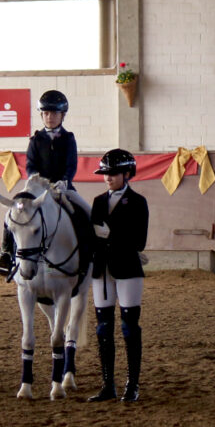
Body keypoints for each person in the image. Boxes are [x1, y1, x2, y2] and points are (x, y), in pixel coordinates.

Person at [0, 89, 93, 275]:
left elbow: (71, 165)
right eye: (46, 113)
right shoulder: (35, 139)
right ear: (42, 115)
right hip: (38, 188)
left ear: (62, 115)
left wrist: (64, 181)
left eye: (54, 113)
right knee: (13, 212)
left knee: (86, 213)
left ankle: (88, 255)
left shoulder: (68, 138)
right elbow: (30, 164)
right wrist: (36, 180)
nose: (50, 117)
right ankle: (6, 253)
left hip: (62, 188)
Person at [86, 148, 149, 403]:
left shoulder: (137, 202)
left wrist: (108, 235)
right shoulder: (99, 201)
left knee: (129, 326)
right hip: (102, 270)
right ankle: (107, 384)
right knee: (103, 327)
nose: (107, 178)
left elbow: (139, 241)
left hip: (127, 269)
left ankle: (132, 384)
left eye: (112, 174)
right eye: (105, 173)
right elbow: (91, 236)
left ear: (126, 173)